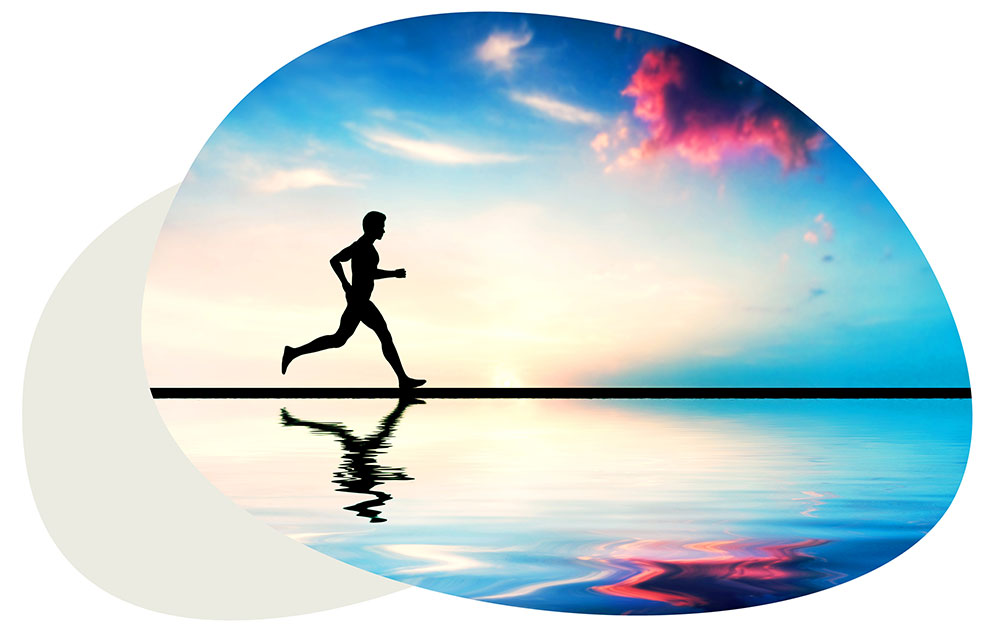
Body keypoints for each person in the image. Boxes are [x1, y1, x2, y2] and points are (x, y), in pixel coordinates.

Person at [281, 211, 425, 389]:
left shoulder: (368, 248)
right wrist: (345, 284)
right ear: (373, 227)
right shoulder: (361, 246)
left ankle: (293, 352)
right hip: (359, 301)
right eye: (382, 227)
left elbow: (369, 274)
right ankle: (403, 379)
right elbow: (335, 260)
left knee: (339, 339)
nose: (384, 231)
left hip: (360, 300)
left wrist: (391, 275)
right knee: (382, 334)